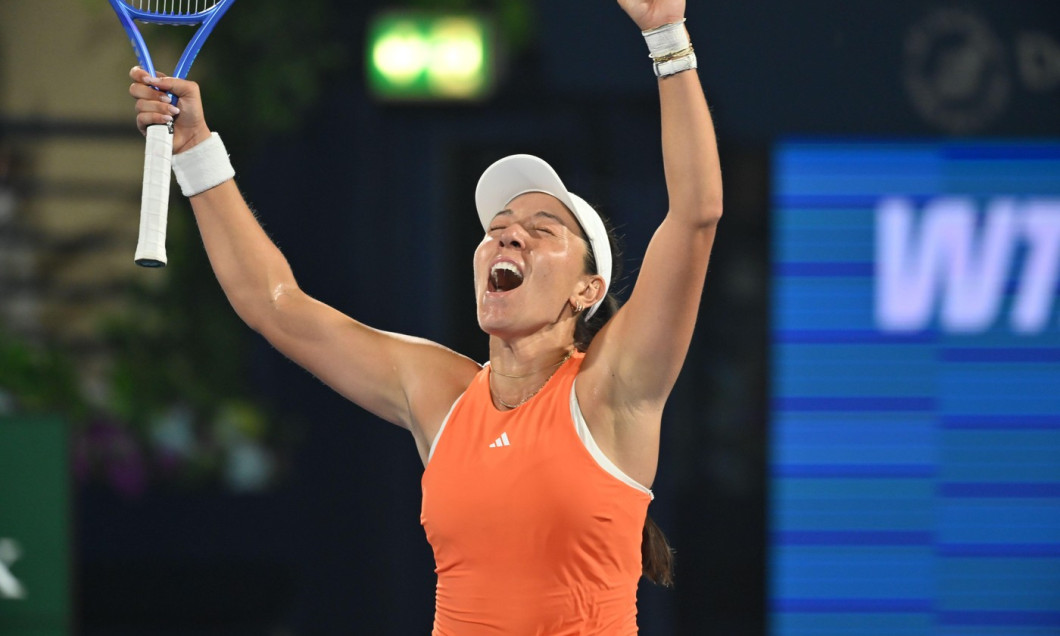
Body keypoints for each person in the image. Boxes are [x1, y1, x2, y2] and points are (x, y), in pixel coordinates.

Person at [128, 0, 720, 632]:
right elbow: (274, 305)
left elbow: (695, 215)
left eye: (542, 229)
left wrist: (666, 34)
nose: (508, 235)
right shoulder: (441, 395)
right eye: (497, 227)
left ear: (587, 290)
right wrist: (195, 149)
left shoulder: (613, 391)